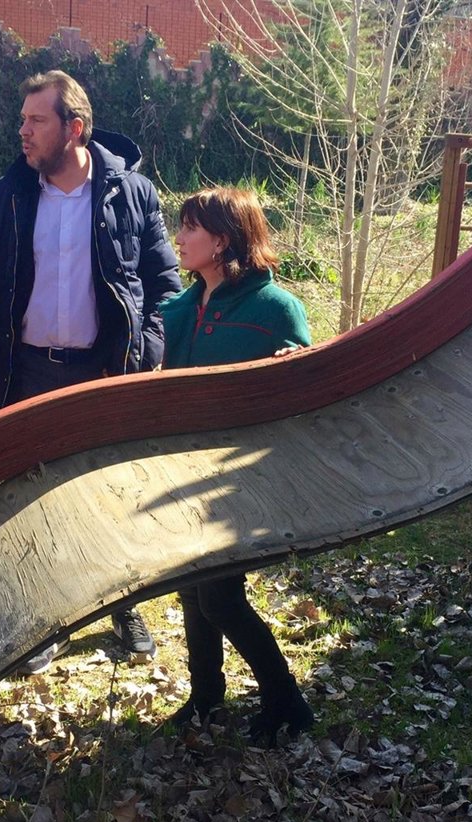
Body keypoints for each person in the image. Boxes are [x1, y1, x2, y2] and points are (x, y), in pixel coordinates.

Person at [0, 69, 182, 668]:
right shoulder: (6, 197)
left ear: (73, 128)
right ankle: (48, 620)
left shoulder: (130, 193)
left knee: (112, 494)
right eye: (22, 119)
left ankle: (124, 607)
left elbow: (163, 286)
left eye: (36, 121)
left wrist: (148, 353)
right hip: (25, 373)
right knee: (34, 498)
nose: (21, 132)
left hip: (103, 372)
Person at [159, 186, 315, 744]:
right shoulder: (183, 306)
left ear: (222, 239)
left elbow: (301, 385)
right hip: (182, 471)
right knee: (191, 588)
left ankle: (287, 702)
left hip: (237, 478)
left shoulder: (274, 308)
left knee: (220, 596)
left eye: (190, 229)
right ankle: (205, 697)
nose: (179, 239)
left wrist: (287, 369)